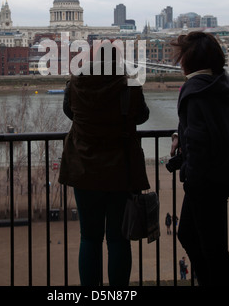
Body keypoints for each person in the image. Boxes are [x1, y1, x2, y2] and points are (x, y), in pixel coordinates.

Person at [59, 44, 150, 286]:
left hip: (84, 170)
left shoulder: (75, 86)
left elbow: (70, 112)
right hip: (121, 171)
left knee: (89, 238)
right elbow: (142, 116)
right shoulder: (130, 88)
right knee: (119, 239)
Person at [170, 31, 229, 286]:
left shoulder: (194, 90)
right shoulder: (219, 84)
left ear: (191, 60)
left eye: (181, 57)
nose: (178, 62)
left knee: (211, 246)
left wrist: (191, 178)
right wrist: (181, 134)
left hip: (203, 181)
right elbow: (210, 126)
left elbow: (199, 139)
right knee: (195, 236)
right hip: (221, 174)